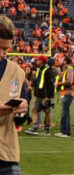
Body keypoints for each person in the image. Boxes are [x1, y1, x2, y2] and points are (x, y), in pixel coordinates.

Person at [0, 16, 29, 175]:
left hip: (7, 153)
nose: (1, 54)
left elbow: (21, 117)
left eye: (5, 49)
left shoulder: (17, 72)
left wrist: (22, 108)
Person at [25, 55, 54, 136]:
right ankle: (35, 127)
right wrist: (33, 84)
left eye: (38, 60)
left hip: (45, 95)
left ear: (42, 61)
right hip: (38, 94)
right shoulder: (39, 70)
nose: (37, 61)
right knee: (34, 109)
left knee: (47, 112)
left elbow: (50, 84)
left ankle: (47, 129)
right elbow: (38, 81)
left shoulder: (48, 70)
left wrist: (48, 96)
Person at [55, 56, 74, 138]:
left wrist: (59, 83)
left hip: (68, 93)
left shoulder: (69, 69)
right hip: (66, 93)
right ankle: (66, 131)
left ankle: (65, 132)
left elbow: (69, 81)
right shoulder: (67, 70)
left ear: (65, 61)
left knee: (64, 112)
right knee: (65, 112)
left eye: (63, 60)